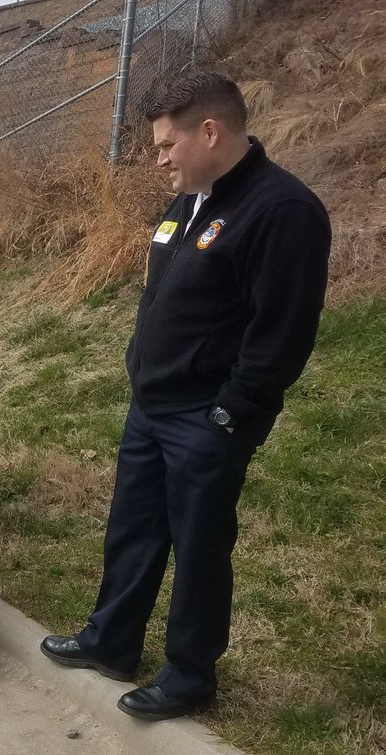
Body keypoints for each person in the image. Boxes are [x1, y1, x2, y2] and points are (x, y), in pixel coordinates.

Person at [41, 71, 331, 720]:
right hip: (152, 406)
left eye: (168, 144)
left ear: (211, 131)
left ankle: (189, 674)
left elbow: (281, 331)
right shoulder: (186, 204)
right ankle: (111, 641)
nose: (159, 157)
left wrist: (233, 413)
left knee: (199, 549)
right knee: (134, 531)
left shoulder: (281, 210)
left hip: (208, 418)